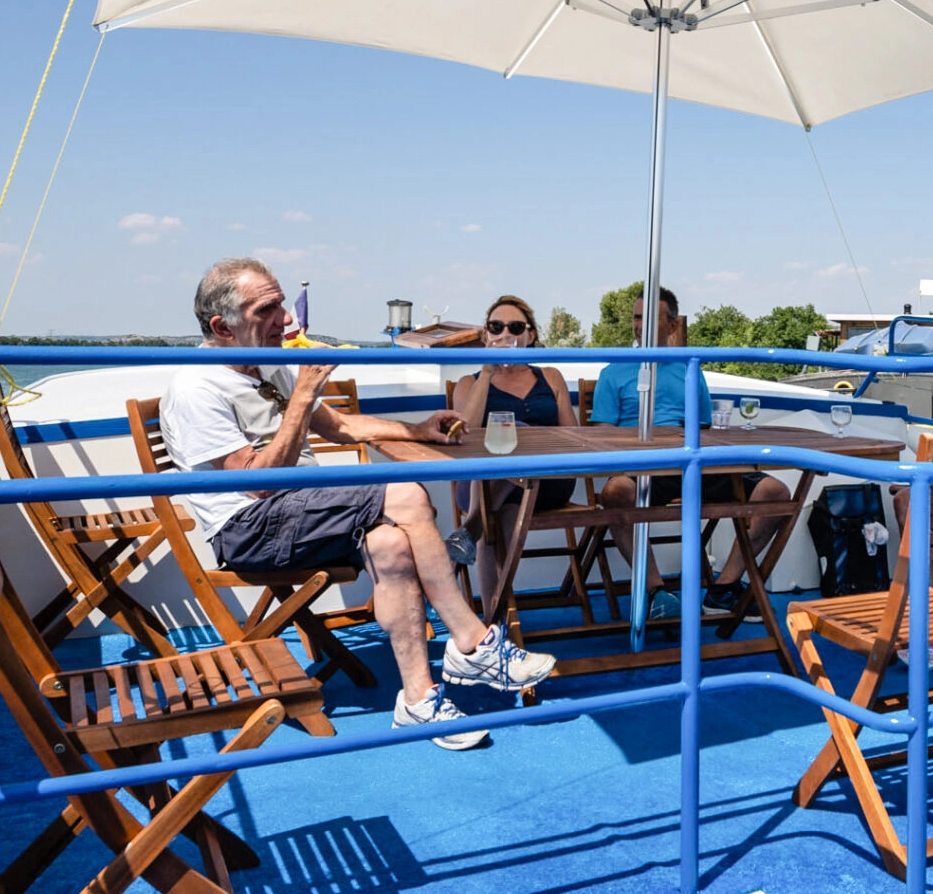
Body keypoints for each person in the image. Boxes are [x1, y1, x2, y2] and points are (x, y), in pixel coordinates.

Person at [159, 258, 554, 750]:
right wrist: (301, 398)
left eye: (282, 302)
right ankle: (472, 642)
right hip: (251, 526)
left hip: (305, 509)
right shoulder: (195, 387)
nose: (286, 319)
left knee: (391, 545)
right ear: (222, 326)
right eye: (268, 308)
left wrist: (418, 429)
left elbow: (341, 428)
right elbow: (257, 486)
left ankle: (417, 700)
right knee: (407, 492)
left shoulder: (268, 364)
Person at [590, 286, 792, 612]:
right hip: (643, 469)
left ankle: (723, 587)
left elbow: (703, 428)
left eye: (649, 318)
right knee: (615, 493)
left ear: (671, 326)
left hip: (693, 465)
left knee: (776, 493)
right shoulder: (613, 372)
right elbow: (601, 436)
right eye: (636, 317)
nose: (639, 325)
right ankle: (656, 592)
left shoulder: (689, 370)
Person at [444, 294, 579, 607]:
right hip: (481, 487)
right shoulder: (468, 382)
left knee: (518, 433)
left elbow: (572, 436)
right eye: (496, 326)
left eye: (516, 327)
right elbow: (465, 433)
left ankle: (470, 529)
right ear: (486, 335)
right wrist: (488, 373)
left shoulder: (550, 377)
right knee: (502, 513)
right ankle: (496, 621)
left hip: (546, 483)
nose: (506, 333)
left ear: (530, 336)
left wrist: (527, 440)